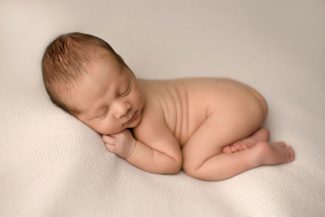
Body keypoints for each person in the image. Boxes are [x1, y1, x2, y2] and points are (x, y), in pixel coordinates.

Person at [42, 32, 294, 181]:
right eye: (103, 112)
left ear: (127, 68)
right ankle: (252, 136)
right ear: (78, 119)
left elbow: (172, 161)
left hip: (232, 108)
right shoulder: (127, 96)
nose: (123, 108)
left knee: (195, 163)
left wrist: (131, 149)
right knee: (207, 137)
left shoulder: (145, 120)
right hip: (238, 98)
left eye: (125, 88)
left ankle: (256, 155)